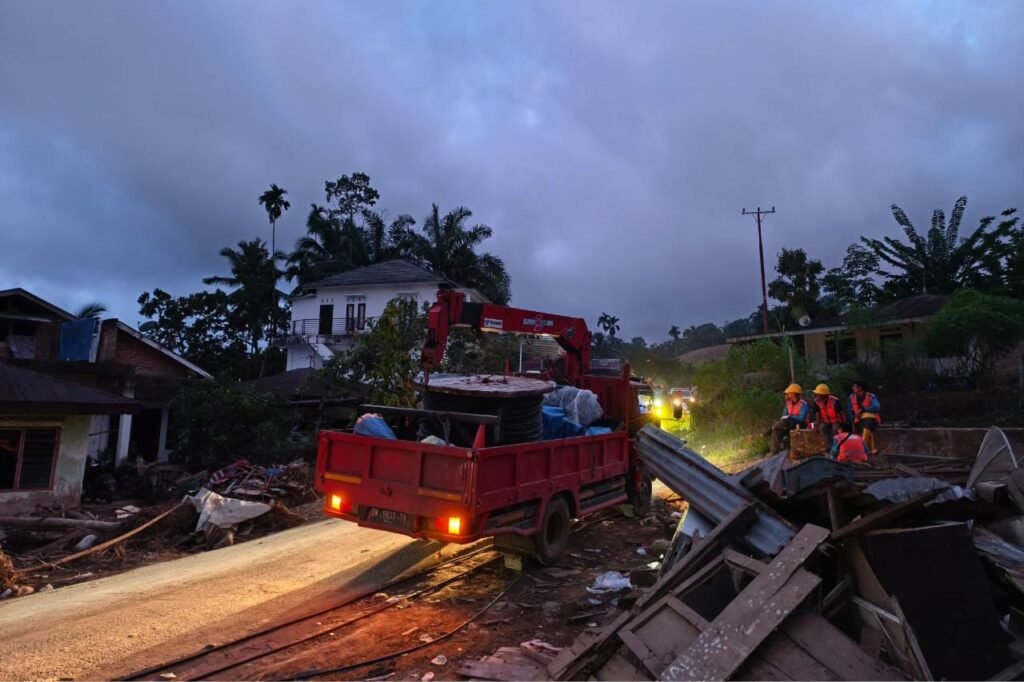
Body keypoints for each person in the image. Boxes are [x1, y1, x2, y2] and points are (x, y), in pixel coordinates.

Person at [769, 383, 809, 455]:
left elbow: (801, 418)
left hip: (800, 424)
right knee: (777, 430)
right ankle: (774, 452)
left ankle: (770, 429)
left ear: (794, 394)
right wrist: (786, 419)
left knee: (786, 421)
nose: (788, 395)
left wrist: (790, 416)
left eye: (789, 393)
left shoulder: (803, 404)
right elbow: (783, 416)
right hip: (788, 423)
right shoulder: (788, 403)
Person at [848, 379, 881, 456]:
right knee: (868, 429)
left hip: (872, 420)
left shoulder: (871, 396)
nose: (852, 388)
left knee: (868, 420)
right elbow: (849, 410)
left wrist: (863, 410)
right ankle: (871, 449)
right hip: (858, 421)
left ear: (860, 387)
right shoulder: (851, 397)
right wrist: (853, 419)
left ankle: (862, 448)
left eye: (854, 386)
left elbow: (877, 407)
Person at [811, 383, 844, 451]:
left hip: (836, 421)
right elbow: (817, 414)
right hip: (825, 421)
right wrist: (817, 425)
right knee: (822, 427)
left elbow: (840, 413)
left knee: (835, 429)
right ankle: (828, 447)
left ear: (823, 395)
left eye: (818, 394)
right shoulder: (816, 402)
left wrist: (841, 424)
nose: (817, 395)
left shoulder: (835, 401)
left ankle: (836, 448)